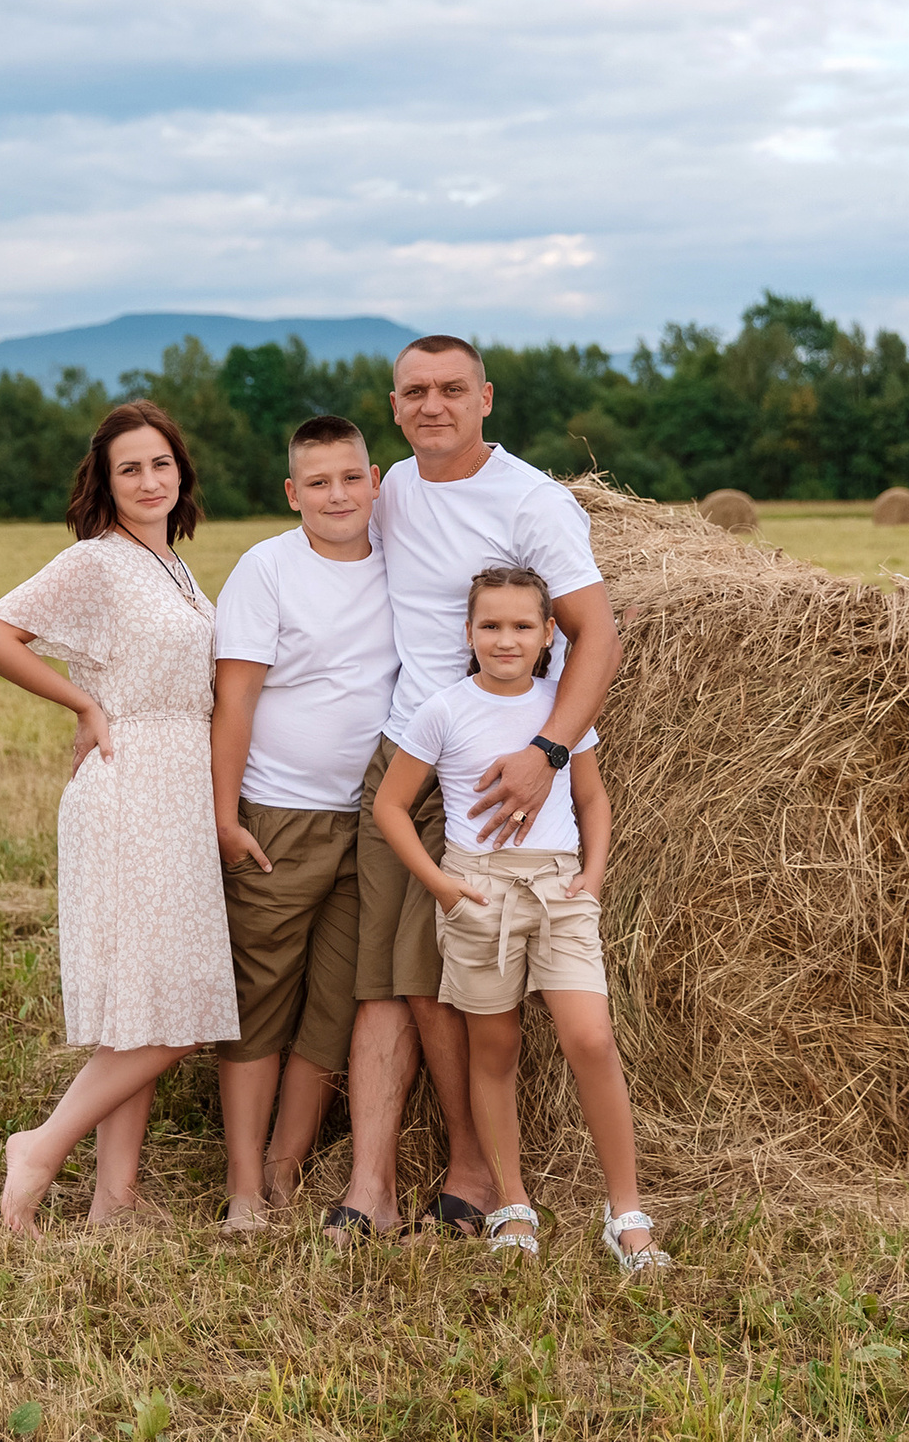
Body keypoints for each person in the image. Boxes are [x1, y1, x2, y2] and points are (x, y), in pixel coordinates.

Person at [329, 333, 624, 1246]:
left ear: (486, 397)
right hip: (411, 746)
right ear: (393, 406)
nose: (433, 405)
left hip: (509, 763)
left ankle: (474, 1171)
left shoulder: (530, 499)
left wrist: (547, 749)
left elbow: (597, 635)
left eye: (452, 389)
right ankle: (384, 1177)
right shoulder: (395, 490)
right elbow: (320, 524)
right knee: (397, 976)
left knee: (459, 983)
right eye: (414, 391)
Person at [0, 400, 239, 1235]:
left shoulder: (177, 569)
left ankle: (113, 1202)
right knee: (179, 1010)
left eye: (161, 463)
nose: (150, 480)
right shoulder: (96, 561)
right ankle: (40, 1145)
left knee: (145, 1002)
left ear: (181, 471)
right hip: (130, 785)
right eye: (130, 468)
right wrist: (82, 701)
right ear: (105, 481)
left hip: (179, 782)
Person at [373, 567, 666, 1270]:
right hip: (478, 893)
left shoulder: (564, 707)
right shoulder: (444, 709)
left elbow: (591, 799)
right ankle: (512, 1204)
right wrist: (444, 887)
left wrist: (590, 877)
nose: (506, 639)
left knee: (590, 1037)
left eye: (522, 626)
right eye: (491, 626)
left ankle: (625, 1209)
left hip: (557, 887)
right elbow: (390, 806)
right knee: (494, 1049)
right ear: (470, 634)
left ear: (547, 637)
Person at [208, 414, 395, 1231]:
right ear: (293, 493)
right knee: (261, 996)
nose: (337, 494)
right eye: (318, 482)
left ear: (376, 480)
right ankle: (244, 1186)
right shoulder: (267, 569)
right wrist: (224, 815)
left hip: (372, 819)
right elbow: (235, 701)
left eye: (350, 477)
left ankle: (287, 1170)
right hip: (278, 813)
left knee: (335, 1001)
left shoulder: (403, 565)